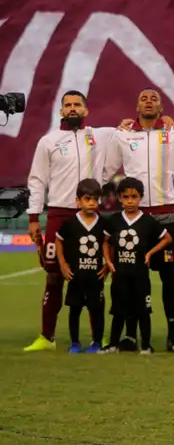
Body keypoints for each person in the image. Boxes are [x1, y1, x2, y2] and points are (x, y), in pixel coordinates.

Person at [103, 88, 174, 353]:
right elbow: (107, 170)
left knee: (169, 278)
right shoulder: (122, 134)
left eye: (154, 98)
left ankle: (173, 336)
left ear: (161, 107)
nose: (148, 101)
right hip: (134, 217)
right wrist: (83, 192)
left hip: (166, 215)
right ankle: (131, 335)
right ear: (136, 106)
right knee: (133, 277)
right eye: (143, 98)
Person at [24, 90, 117, 352]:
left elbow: (130, 128)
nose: (72, 108)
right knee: (54, 277)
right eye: (68, 105)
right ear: (61, 111)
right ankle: (46, 337)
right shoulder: (48, 141)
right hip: (58, 214)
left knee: (93, 277)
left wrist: (103, 178)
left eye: (77, 104)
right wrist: (33, 217)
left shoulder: (101, 135)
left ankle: (98, 338)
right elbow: (37, 180)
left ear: (86, 110)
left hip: (91, 217)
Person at [101, 177, 174, 354]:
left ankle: (146, 345)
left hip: (140, 276)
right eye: (126, 197)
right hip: (120, 275)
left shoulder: (148, 221)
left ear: (140, 197)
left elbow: (167, 238)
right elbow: (105, 241)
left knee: (143, 311)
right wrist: (108, 261)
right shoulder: (115, 220)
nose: (130, 201)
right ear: (119, 198)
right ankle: (113, 344)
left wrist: (149, 253)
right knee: (118, 311)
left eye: (134, 197)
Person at [55, 178, 110, 354]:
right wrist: (62, 263)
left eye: (95, 199)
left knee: (97, 311)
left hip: (95, 277)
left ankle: (96, 342)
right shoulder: (70, 223)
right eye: (88, 199)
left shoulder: (102, 224)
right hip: (75, 276)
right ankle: (75, 343)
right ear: (78, 201)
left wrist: (108, 265)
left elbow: (108, 244)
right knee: (75, 310)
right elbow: (58, 240)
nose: (92, 203)